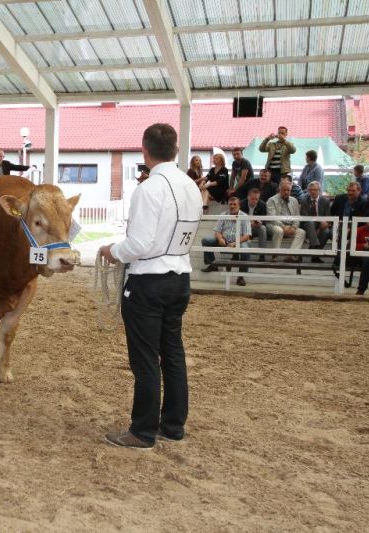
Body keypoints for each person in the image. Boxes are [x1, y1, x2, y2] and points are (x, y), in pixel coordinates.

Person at [98, 123, 203, 449]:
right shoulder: (191, 186)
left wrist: (112, 251)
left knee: (144, 360)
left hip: (149, 281)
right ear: (174, 149)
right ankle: (173, 424)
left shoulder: (149, 189)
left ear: (145, 150)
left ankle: (142, 430)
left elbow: (139, 243)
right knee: (172, 353)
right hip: (179, 276)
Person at [200, 196, 251, 286]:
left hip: (239, 241)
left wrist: (235, 243)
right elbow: (217, 231)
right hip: (224, 240)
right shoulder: (223, 214)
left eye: (234, 204)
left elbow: (247, 235)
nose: (232, 206)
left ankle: (241, 277)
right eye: (230, 204)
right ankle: (213, 264)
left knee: (246, 251)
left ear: (239, 206)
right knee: (206, 240)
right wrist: (220, 239)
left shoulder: (244, 216)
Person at [266, 179, 306, 262]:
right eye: (284, 190)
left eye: (288, 190)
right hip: (274, 225)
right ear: (279, 190)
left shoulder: (294, 200)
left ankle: (291, 255)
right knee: (279, 230)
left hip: (290, 226)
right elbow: (272, 217)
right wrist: (283, 227)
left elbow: (297, 217)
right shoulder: (271, 200)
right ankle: (275, 255)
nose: (286, 192)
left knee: (301, 232)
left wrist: (294, 227)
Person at [299, 180, 332, 262]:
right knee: (310, 223)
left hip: (321, 225)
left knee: (327, 231)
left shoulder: (325, 201)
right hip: (307, 225)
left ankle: (314, 255)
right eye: (311, 190)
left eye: (315, 190)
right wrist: (317, 226)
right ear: (308, 191)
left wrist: (324, 224)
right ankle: (314, 245)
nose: (313, 191)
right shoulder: (304, 201)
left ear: (319, 190)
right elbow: (306, 217)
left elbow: (328, 217)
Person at [240, 187, 269, 261]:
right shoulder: (241, 204)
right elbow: (238, 221)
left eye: (256, 199)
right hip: (243, 228)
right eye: (252, 199)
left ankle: (262, 254)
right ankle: (236, 254)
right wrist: (249, 223)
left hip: (256, 227)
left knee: (263, 228)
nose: (254, 201)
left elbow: (265, 220)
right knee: (236, 228)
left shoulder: (262, 205)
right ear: (248, 197)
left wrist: (260, 222)